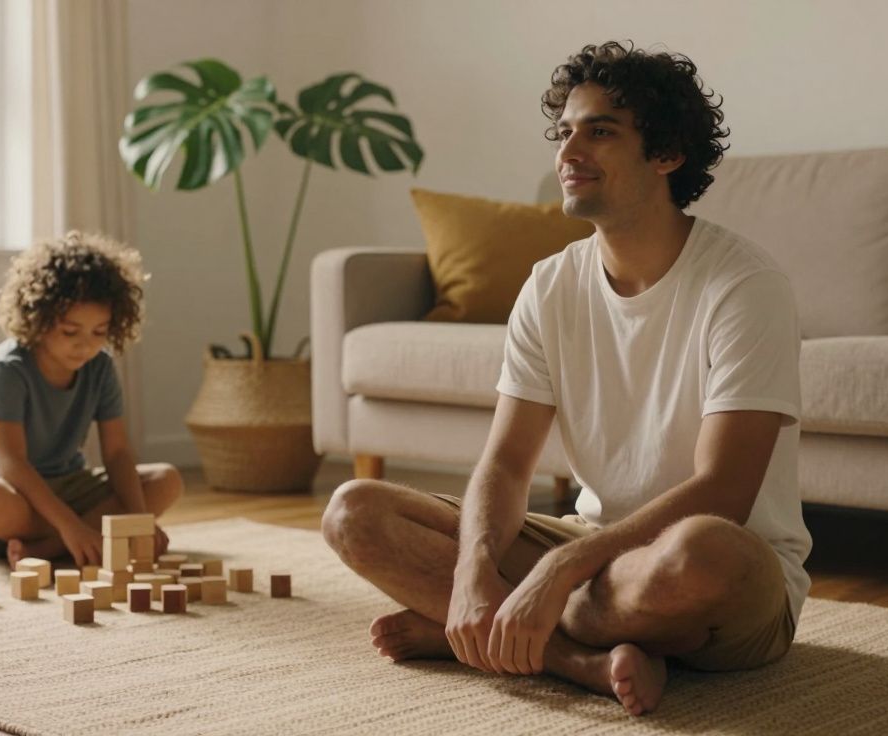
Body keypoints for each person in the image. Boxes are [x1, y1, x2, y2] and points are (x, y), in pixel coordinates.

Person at [321, 41, 811, 716]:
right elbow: (508, 460)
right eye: (565, 132)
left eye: (600, 132)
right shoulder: (551, 284)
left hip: (718, 574)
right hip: (599, 552)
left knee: (702, 553)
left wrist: (556, 570)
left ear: (667, 154)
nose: (568, 152)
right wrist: (471, 572)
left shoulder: (744, 286)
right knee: (354, 512)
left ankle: (485, 632)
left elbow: (722, 492)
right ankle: (576, 660)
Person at [0, 231, 183, 569]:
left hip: (67, 483)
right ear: (40, 319)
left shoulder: (100, 368)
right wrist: (71, 524)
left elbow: (117, 452)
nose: (85, 345)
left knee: (166, 481)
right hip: (3, 482)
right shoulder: (8, 370)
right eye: (70, 332)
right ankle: (76, 533)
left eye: (99, 332)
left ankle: (50, 545)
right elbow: (12, 464)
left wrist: (137, 520)